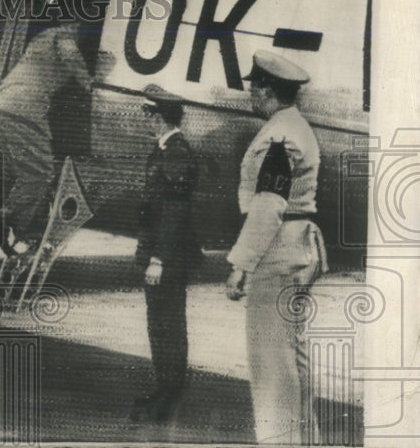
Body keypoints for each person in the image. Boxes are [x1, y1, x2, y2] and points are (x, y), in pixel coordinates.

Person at [224, 51, 328, 444]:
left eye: (254, 87)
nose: (251, 94)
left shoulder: (280, 136)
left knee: (271, 365)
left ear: (267, 89)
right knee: (292, 358)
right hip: (296, 246)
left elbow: (269, 202)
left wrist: (242, 264)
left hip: (278, 248)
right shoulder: (295, 127)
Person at [0, 25, 114, 253]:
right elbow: (70, 55)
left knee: (28, 173)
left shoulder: (43, 37)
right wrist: (90, 83)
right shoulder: (63, 35)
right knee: (41, 173)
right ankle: (16, 224)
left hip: (0, 104)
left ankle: (12, 220)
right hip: (23, 107)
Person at [130, 84, 201, 422]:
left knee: (168, 323)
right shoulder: (163, 149)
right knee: (159, 323)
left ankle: (171, 393)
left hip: (167, 257)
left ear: (158, 116)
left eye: (147, 113)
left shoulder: (175, 152)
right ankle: (165, 385)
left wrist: (158, 258)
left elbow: (174, 210)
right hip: (160, 253)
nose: (144, 118)